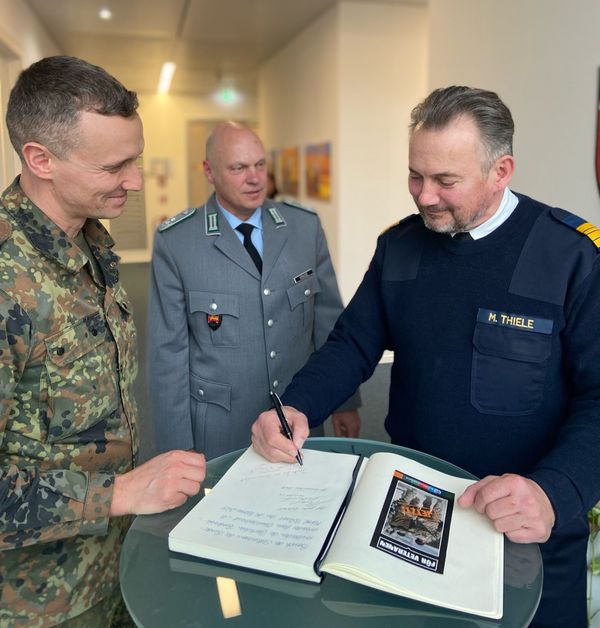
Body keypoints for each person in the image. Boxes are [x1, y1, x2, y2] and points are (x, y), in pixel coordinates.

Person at [251, 86, 600, 627]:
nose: (425, 196)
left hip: (526, 524)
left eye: (446, 181)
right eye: (416, 175)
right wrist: (297, 405)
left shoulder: (572, 257)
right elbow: (354, 342)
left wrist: (557, 492)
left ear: (501, 170)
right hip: (414, 509)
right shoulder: (401, 246)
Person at [0, 56, 205, 627]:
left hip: (110, 564)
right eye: (115, 166)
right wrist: (119, 494)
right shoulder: (5, 282)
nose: (136, 182)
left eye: (135, 159)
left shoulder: (90, 243)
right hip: (38, 601)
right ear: (40, 159)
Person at [148, 122, 360, 460]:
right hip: (221, 428)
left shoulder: (303, 227)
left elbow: (329, 322)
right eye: (238, 168)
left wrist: (344, 402)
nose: (255, 178)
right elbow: (168, 354)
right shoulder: (178, 243)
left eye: (260, 165)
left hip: (298, 416)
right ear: (209, 171)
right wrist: (177, 447)